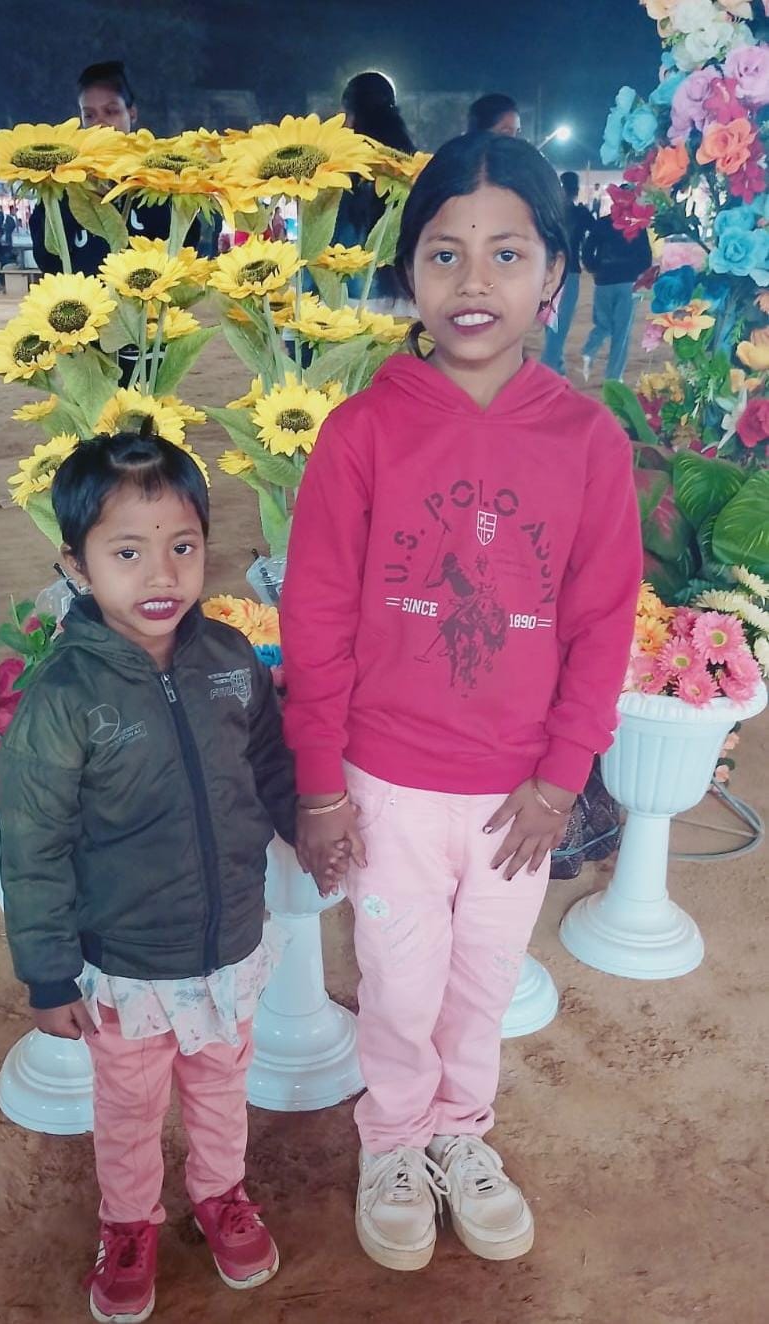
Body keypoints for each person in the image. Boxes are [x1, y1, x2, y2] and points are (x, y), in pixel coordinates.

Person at [281, 132, 641, 1273]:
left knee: (483, 982)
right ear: (408, 273)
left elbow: (602, 622)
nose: (473, 281)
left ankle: (459, 1134)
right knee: (398, 983)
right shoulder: (362, 431)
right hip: (386, 787)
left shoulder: (588, 441)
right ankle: (393, 1139)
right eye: (444, 253)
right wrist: (321, 788)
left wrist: (562, 779)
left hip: (517, 801)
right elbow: (316, 617)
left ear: (554, 273)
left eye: (506, 253)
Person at [0, 429, 295, 1323]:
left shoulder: (232, 663)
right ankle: (127, 1224)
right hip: (125, 961)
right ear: (76, 565)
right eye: (127, 553)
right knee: (129, 1105)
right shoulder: (64, 700)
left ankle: (221, 1194)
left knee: (221, 1083)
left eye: (182, 547)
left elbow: (270, 765)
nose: (160, 574)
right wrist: (48, 973)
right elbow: (34, 845)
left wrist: (310, 826)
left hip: (229, 943)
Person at [30, 61, 191, 277]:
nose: (100, 123)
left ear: (132, 113)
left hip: (149, 297)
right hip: (84, 296)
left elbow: (185, 248)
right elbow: (47, 259)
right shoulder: (62, 183)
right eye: (89, 115)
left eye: (111, 111)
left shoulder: (160, 180)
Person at [335, 71, 416, 309]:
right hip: (407, 301)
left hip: (349, 303)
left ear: (350, 116)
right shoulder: (411, 168)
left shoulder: (342, 170)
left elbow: (323, 245)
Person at [581, 195, 652, 383]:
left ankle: (589, 350)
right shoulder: (637, 225)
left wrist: (595, 268)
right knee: (621, 333)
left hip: (603, 281)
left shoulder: (603, 223)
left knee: (603, 325)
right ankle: (613, 377)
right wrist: (635, 272)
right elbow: (646, 258)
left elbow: (587, 251)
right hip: (628, 283)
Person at [541, 171, 594, 375]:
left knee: (550, 321)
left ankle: (557, 365)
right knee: (560, 324)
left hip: (547, 270)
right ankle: (548, 369)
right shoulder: (581, 213)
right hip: (570, 270)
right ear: (576, 189)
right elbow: (596, 231)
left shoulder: (549, 212)